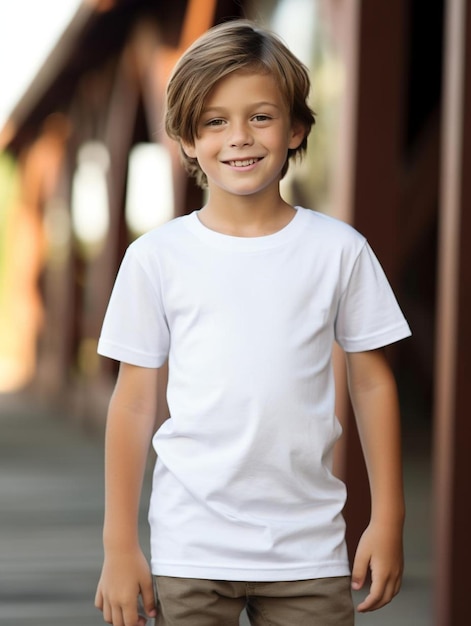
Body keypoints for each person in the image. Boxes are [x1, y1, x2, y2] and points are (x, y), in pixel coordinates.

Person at [94, 19, 411, 626]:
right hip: (190, 547)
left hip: (310, 549)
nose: (238, 137)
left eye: (260, 117)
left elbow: (372, 383)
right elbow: (133, 402)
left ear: (295, 128)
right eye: (214, 121)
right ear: (187, 138)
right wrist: (118, 545)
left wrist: (388, 518)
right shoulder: (155, 258)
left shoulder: (338, 251)